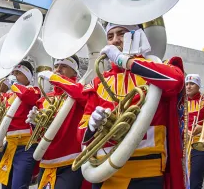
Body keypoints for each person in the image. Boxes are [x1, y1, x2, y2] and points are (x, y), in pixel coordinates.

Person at [79, 23, 186, 189]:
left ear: (137, 36)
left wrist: (125, 61)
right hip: (104, 171)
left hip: (145, 171)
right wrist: (91, 127)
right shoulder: (99, 82)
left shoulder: (155, 70)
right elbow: (81, 135)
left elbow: (176, 81)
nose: (115, 40)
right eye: (110, 36)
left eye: (121, 34)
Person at [27, 55, 86, 189]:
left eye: (64, 66)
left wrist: (56, 78)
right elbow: (38, 137)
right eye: (56, 66)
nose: (58, 69)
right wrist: (35, 123)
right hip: (46, 162)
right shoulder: (44, 100)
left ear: (75, 72)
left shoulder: (79, 91)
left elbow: (82, 94)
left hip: (71, 162)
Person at [0, 60, 40, 189]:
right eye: (13, 73)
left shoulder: (34, 90)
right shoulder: (10, 95)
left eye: (18, 73)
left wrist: (13, 84)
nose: (15, 76)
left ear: (28, 76)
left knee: (18, 186)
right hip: (9, 145)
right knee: (6, 186)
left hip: (26, 147)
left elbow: (28, 96)